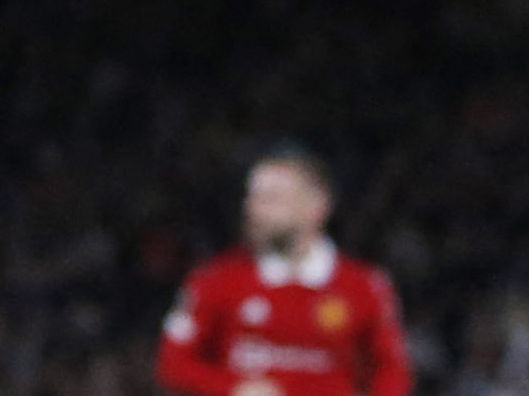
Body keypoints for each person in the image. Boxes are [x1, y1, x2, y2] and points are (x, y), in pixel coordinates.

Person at [158, 145, 414, 396]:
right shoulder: (215, 279)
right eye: (252, 197)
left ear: (316, 207)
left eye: (271, 198)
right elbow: (174, 365)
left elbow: (391, 370)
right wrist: (233, 388)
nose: (253, 209)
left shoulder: (364, 286)